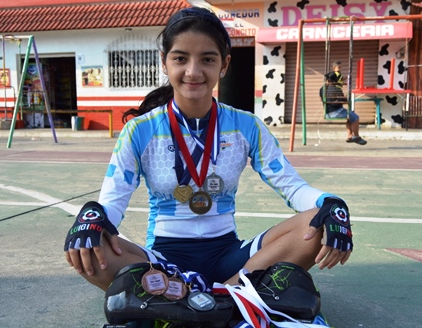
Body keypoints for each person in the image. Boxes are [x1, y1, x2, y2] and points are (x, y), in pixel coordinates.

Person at [64, 7, 354, 292]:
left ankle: (204, 296)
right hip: (162, 259)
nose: (193, 71)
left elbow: (292, 188)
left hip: (230, 258)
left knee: (313, 228)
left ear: (224, 65)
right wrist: (92, 216)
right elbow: (111, 205)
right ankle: (232, 298)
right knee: (89, 246)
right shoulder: (139, 131)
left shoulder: (247, 126)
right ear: (165, 63)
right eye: (181, 58)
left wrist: (331, 204)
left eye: (207, 59)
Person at [320, 72, 367, 145]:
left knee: (350, 117)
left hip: (327, 112)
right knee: (356, 117)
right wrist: (345, 98)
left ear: (327, 80)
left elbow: (321, 98)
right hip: (336, 112)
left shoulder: (322, 89)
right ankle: (356, 136)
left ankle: (350, 135)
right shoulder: (336, 89)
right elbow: (343, 101)